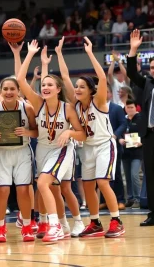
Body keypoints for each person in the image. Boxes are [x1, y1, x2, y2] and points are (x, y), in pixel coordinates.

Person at [17, 40, 86, 243]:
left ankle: (55, 224)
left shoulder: (68, 108)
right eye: (43, 84)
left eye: (49, 85)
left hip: (63, 149)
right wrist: (29, 54)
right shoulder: (38, 103)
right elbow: (20, 79)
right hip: (43, 149)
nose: (45, 87)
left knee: (47, 184)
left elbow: (82, 134)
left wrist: (70, 133)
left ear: (58, 89)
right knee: (51, 187)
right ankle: (63, 225)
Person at [56, 36, 125, 238]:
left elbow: (102, 79)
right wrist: (59, 54)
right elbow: (65, 76)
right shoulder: (76, 104)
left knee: (103, 183)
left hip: (104, 145)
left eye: (81, 87)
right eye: (76, 87)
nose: (76, 89)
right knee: (88, 185)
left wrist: (89, 53)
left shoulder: (100, 101)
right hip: (86, 148)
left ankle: (116, 220)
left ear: (91, 90)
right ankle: (95, 223)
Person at [0, 77, 38, 243]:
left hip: (22, 152)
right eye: (6, 89)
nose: (9, 92)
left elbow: (36, 131)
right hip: (0, 153)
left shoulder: (27, 108)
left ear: (18, 91)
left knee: (23, 190)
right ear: (0, 91)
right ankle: (0, 226)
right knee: (2, 191)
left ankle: (26, 226)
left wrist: (27, 132)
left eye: (12, 89)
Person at [126, 29, 154, 226]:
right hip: (150, 135)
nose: (153, 69)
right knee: (151, 175)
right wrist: (133, 50)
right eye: (152, 67)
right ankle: (153, 212)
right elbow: (131, 73)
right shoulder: (147, 84)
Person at [120, 99, 142, 209]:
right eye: (127, 107)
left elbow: (144, 133)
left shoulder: (140, 118)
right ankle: (130, 198)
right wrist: (120, 139)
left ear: (136, 108)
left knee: (134, 175)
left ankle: (138, 198)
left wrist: (141, 142)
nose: (129, 109)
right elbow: (119, 131)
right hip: (125, 152)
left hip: (137, 152)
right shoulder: (124, 120)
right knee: (127, 176)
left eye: (131, 107)